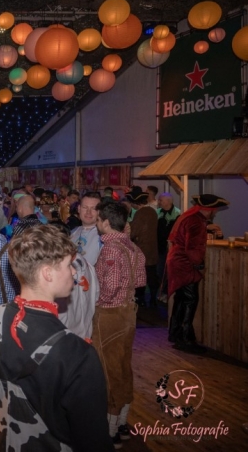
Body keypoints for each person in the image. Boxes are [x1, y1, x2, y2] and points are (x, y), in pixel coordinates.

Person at [0, 225, 112, 451]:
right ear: (47, 273)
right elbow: (93, 439)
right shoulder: (77, 353)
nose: (74, 272)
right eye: (68, 265)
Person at [93, 200, 146, 448]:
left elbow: (110, 287)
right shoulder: (132, 246)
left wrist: (96, 302)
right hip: (128, 312)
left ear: (105, 222)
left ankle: (111, 429)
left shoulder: (111, 249)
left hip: (110, 314)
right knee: (123, 366)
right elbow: (140, 280)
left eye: (98, 219)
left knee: (109, 369)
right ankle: (123, 421)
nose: (96, 223)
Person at [167, 194, 229, 353]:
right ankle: (186, 339)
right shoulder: (196, 222)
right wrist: (199, 265)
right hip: (184, 264)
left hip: (177, 261)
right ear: (210, 209)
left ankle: (175, 334)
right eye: (215, 210)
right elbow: (193, 248)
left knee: (181, 299)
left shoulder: (191, 217)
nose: (216, 212)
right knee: (190, 300)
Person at [128, 188, 159, 307]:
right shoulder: (152, 211)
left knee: (140, 276)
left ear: (135, 202)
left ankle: (140, 299)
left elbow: (133, 232)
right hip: (152, 249)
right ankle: (153, 299)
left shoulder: (140, 213)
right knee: (152, 275)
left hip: (141, 250)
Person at [155, 193, 181, 303]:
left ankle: (166, 293)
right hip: (159, 247)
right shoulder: (157, 213)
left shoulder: (178, 214)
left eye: (161, 200)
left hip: (171, 248)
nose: (159, 202)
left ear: (168, 201)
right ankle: (162, 292)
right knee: (160, 271)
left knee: (168, 271)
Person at [71, 192, 103, 266]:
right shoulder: (72, 233)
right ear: (79, 209)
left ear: (100, 212)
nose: (88, 212)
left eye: (93, 208)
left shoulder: (103, 237)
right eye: (85, 207)